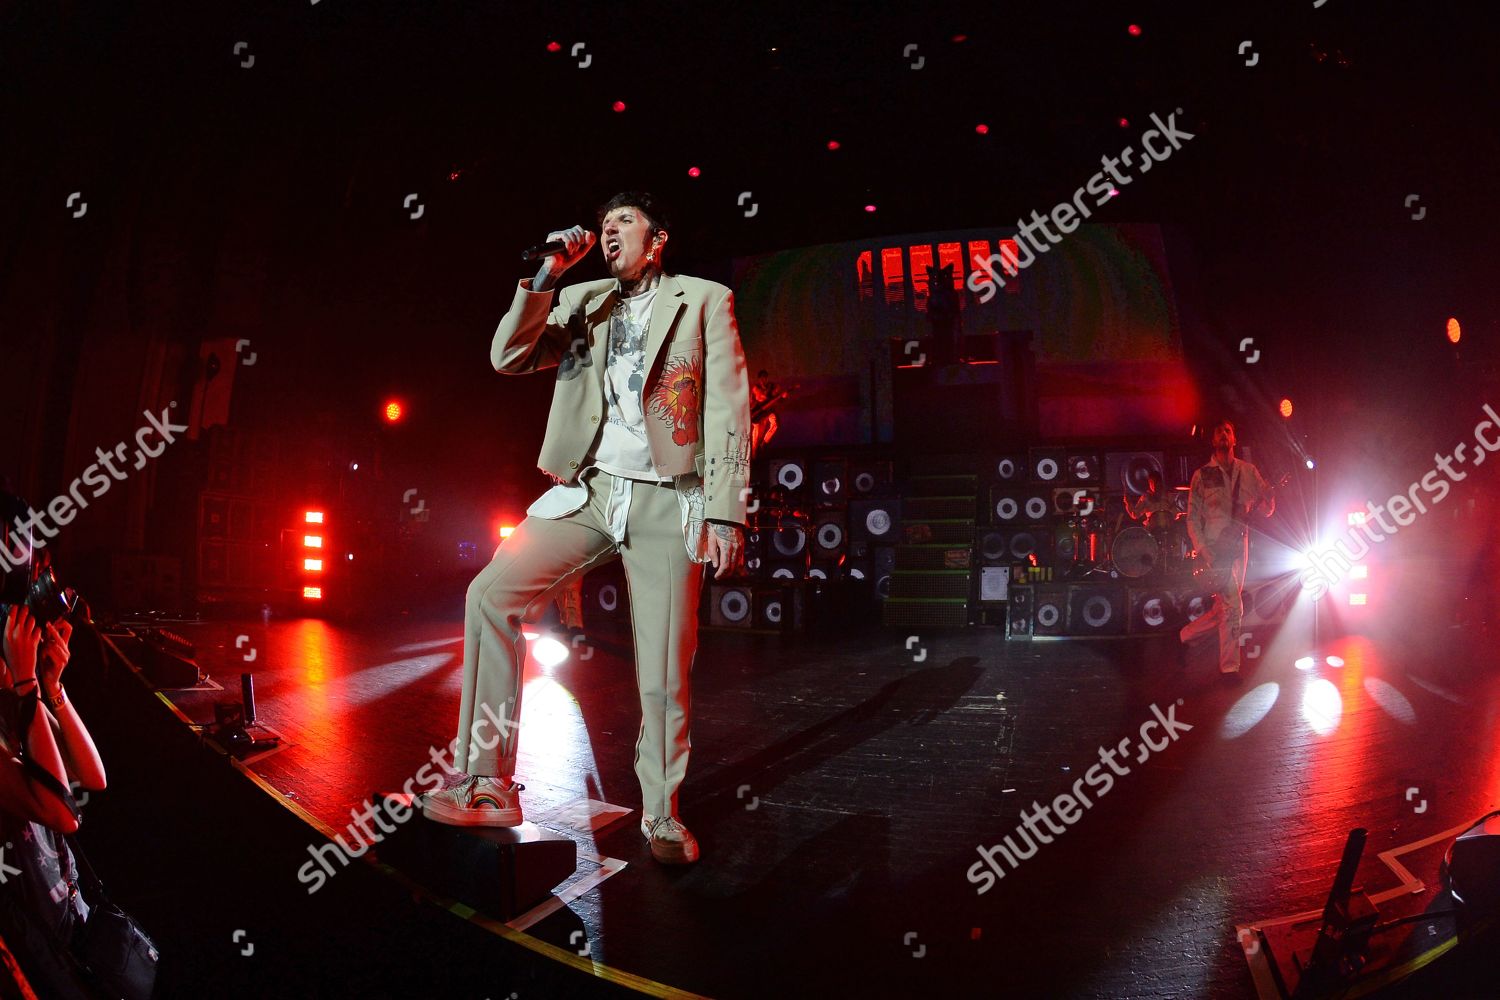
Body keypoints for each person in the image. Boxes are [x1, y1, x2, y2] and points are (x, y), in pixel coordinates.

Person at [422, 192, 751, 865]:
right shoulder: (581, 299)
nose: (609, 233)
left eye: (623, 222)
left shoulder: (705, 300)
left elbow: (728, 409)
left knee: (663, 670)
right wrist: (547, 277)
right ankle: (487, 783)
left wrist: (726, 509)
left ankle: (661, 814)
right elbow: (508, 358)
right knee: (491, 595)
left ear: (658, 238)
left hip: (669, 497)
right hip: (591, 491)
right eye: (603, 226)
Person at [0, 604, 110, 996]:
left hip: (67, 914)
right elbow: (63, 814)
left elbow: (93, 776)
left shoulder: (15, 706)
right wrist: (27, 683)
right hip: (34, 940)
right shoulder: (17, 699)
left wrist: (51, 687)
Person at [1181, 421, 1275, 674]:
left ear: (1234, 439)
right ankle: (1230, 667)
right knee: (1234, 605)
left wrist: (1269, 495)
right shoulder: (1202, 475)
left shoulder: (1248, 471)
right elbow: (1192, 517)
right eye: (1218, 431)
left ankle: (1186, 635)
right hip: (1213, 548)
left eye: (1228, 431)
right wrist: (1202, 549)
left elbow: (1266, 511)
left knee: (1226, 607)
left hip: (1240, 545)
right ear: (1213, 441)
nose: (1223, 434)